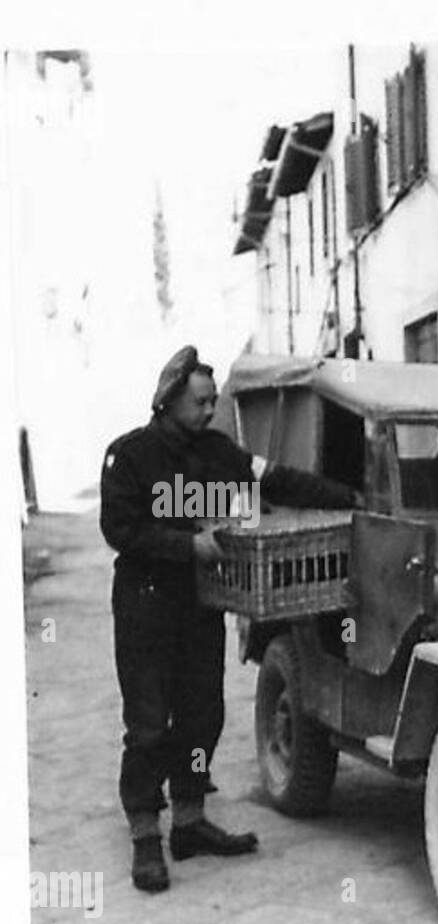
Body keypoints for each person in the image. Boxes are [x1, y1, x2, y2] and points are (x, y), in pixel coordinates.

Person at [100, 346, 360, 892]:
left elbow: (278, 480)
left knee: (202, 716)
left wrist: (352, 497)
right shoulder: (130, 456)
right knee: (149, 723)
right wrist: (186, 545)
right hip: (146, 603)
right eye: (200, 401)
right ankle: (145, 832)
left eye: (212, 400)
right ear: (168, 400)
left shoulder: (219, 453)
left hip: (201, 604)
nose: (209, 409)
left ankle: (189, 820)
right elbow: (120, 530)